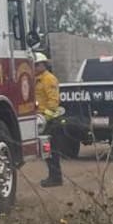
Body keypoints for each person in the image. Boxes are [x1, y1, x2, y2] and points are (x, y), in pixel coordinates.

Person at [34, 51, 65, 187]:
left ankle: (56, 178)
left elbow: (53, 101)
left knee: (52, 151)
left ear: (43, 65)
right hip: (42, 118)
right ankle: (54, 177)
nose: (34, 68)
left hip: (50, 120)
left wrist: (46, 117)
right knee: (48, 152)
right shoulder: (37, 79)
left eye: (37, 65)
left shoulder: (48, 79)